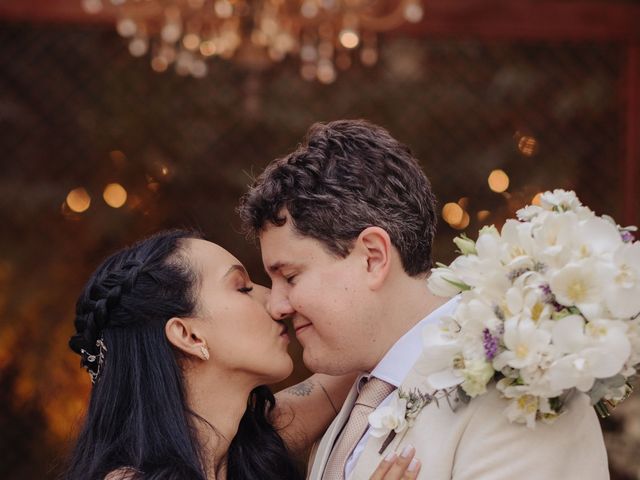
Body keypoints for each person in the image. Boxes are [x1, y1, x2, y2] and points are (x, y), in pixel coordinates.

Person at [238, 119, 610, 480]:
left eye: (290, 277)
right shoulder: (349, 396)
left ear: (373, 257)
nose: (277, 305)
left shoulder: (521, 391)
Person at [65, 229, 420, 480]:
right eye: (243, 287)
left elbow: (370, 342)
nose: (277, 303)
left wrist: (468, 294)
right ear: (188, 334)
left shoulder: (256, 443)